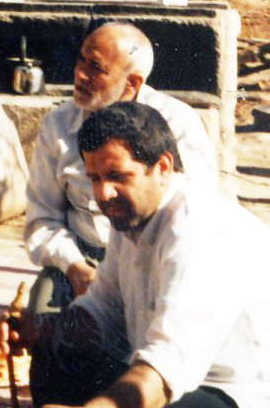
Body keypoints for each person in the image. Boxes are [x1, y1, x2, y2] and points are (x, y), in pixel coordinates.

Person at [0, 102, 270, 408]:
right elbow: (102, 312)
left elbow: (164, 366)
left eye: (117, 176)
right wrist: (39, 330)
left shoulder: (200, 233)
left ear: (163, 166)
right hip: (186, 383)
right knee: (53, 356)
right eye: (95, 177)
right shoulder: (131, 214)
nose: (103, 193)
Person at [24, 21, 218, 314]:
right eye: (81, 60)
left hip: (154, 261)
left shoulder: (178, 123)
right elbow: (42, 219)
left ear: (132, 83)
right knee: (43, 329)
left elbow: (197, 215)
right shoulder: (58, 126)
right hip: (82, 263)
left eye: (96, 69)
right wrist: (75, 268)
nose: (79, 74)